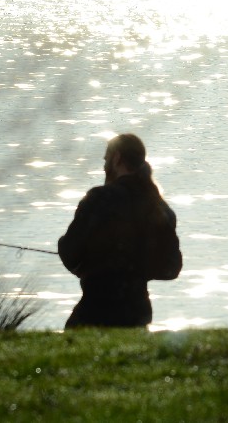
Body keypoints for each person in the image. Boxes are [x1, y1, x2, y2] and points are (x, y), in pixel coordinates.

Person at [58, 133, 182, 328]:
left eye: (106, 158)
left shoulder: (98, 199)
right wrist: (136, 268)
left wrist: (89, 265)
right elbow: (171, 267)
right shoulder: (159, 207)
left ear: (116, 158)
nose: (104, 164)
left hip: (95, 310)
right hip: (138, 312)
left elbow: (70, 253)